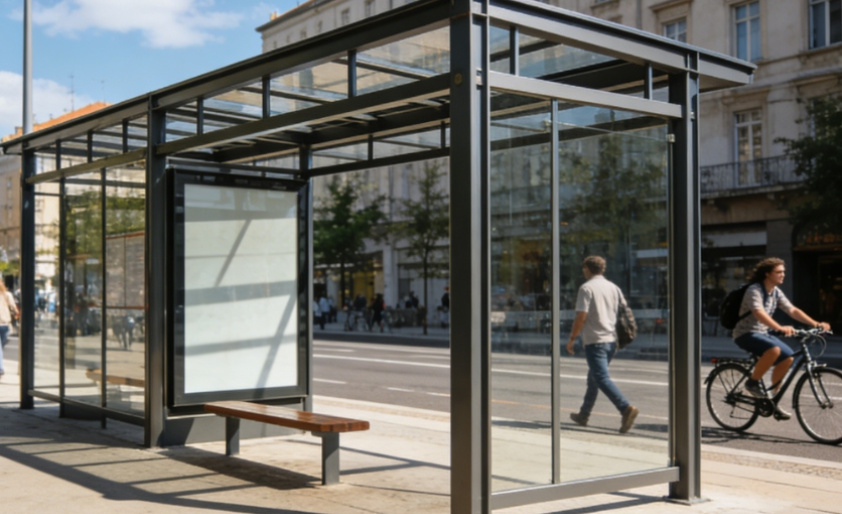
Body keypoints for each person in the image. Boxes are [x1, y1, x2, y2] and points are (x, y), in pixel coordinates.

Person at [732, 257, 830, 420]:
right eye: (779, 272)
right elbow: (759, 313)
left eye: (783, 272)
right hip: (745, 334)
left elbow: (792, 310)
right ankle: (752, 383)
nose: (783, 275)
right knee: (774, 350)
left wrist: (816, 323)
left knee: (788, 357)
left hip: (763, 333)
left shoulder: (775, 292)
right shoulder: (754, 290)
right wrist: (779, 328)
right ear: (767, 274)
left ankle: (773, 400)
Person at [566, 256, 639, 433]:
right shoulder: (613, 287)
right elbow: (623, 311)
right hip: (611, 340)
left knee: (600, 378)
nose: (583, 271)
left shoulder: (586, 288)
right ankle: (584, 414)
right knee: (593, 378)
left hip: (595, 341)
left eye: (584, 268)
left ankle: (625, 408)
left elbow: (581, 316)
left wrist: (572, 338)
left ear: (587, 269)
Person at [0, 282, 19, 379]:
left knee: (1, 347)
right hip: (5, 324)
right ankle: (0, 368)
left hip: (3, 323)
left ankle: (0, 368)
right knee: (1, 347)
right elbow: (14, 308)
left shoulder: (7, 295)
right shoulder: (7, 295)